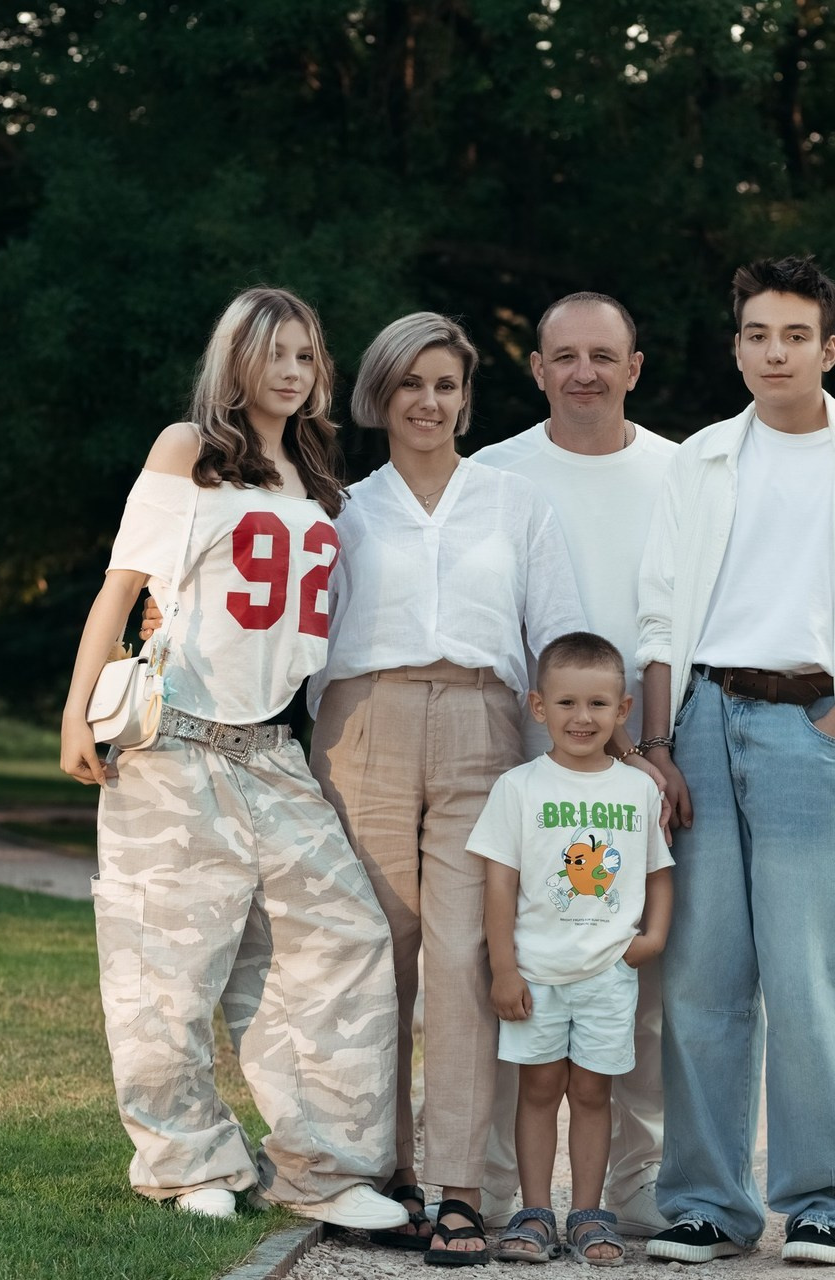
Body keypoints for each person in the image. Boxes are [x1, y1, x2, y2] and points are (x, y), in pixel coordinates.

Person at [59, 287, 406, 1230]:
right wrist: (77, 712)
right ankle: (186, 1161)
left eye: (306, 355)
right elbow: (121, 587)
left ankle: (323, 1170)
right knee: (164, 965)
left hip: (272, 749)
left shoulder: (318, 474)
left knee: (342, 942)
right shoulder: (189, 449)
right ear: (236, 360)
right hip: (174, 740)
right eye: (273, 353)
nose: (291, 372)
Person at [636, 256, 835, 1266]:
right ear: (736, 348)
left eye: (794, 335)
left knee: (810, 977)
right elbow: (657, 614)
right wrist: (656, 744)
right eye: (756, 334)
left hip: (811, 725)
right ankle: (706, 1202)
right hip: (700, 723)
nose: (773, 352)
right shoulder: (699, 457)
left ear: (828, 348)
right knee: (700, 977)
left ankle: (826, 1202)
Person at [306, 312, 588, 1264]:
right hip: (366, 727)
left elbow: (556, 635)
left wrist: (581, 756)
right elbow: (301, 635)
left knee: (468, 955)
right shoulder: (342, 508)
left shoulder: (514, 504)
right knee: (376, 953)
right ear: (379, 395)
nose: (429, 402)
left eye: (447, 386)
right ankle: (382, 1176)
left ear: (466, 400)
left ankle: (459, 1188)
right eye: (411, 384)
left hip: (483, 728)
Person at [470, 292, 678, 1238]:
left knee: (636, 993)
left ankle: (634, 1189)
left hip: (645, 757)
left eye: (603, 355)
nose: (583, 372)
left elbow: (683, 622)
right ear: (538, 369)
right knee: (512, 976)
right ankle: (500, 1190)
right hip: (525, 762)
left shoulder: (679, 474)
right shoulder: (494, 472)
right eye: (564, 356)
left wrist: (653, 748)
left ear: (634, 368)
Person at [471, 632, 673, 1266]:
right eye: (565, 703)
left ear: (623, 710)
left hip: (608, 973)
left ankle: (588, 1213)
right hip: (536, 972)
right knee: (537, 1089)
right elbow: (499, 883)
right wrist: (503, 968)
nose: (581, 718)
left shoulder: (638, 789)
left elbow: (658, 872)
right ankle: (534, 1213)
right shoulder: (519, 787)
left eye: (597, 704)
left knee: (592, 1093)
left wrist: (653, 938)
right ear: (538, 707)